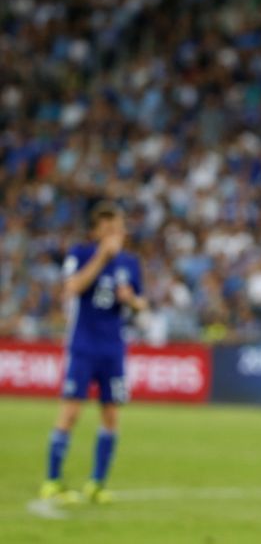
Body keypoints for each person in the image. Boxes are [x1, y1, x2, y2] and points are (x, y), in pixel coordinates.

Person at [40, 201, 147, 504]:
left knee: (111, 415)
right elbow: (72, 287)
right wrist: (101, 258)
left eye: (119, 229)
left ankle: (97, 483)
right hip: (83, 346)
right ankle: (52, 480)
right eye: (109, 229)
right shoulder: (81, 254)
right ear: (96, 231)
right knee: (70, 412)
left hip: (113, 348)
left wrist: (131, 301)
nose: (116, 235)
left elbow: (142, 304)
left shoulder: (130, 263)